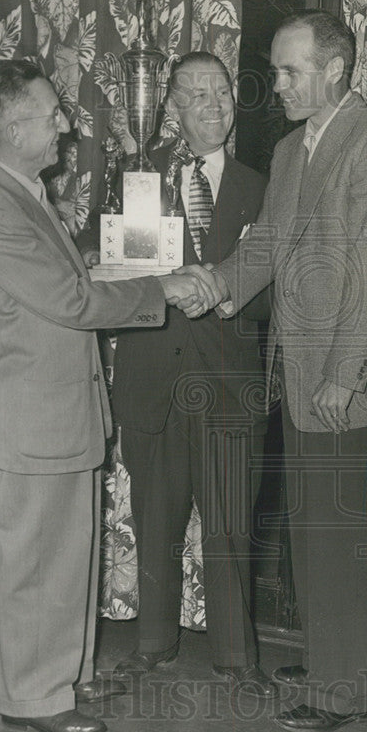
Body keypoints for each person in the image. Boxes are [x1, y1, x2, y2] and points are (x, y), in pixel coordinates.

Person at [0, 59, 216, 732]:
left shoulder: (20, 193)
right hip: (39, 412)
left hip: (61, 410)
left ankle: (62, 682)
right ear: (13, 127)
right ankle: (35, 698)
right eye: (51, 115)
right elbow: (71, 300)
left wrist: (148, 269)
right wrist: (162, 290)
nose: (65, 126)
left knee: (67, 559)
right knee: (40, 563)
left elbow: (74, 277)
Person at [184, 10, 367, 731]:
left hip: (342, 372)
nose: (275, 84)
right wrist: (216, 285)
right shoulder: (292, 147)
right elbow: (271, 244)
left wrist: (347, 372)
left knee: (337, 531)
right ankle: (326, 660)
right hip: (297, 363)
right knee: (310, 525)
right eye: (277, 69)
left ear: (337, 68)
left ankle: (346, 688)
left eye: (290, 70)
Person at [99, 52, 274, 698]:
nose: (211, 102)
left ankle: (236, 656)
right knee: (156, 519)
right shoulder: (136, 177)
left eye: (221, 90)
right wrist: (173, 288)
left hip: (229, 383)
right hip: (152, 380)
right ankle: (152, 643)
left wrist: (222, 292)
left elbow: (274, 289)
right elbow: (118, 277)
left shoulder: (266, 185)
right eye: (194, 92)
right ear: (169, 106)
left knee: (230, 526)